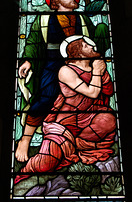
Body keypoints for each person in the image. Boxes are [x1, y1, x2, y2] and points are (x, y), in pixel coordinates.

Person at [15, 0, 110, 162]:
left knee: (83, 101)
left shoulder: (82, 18)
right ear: (56, 2)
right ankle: (25, 140)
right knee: (46, 98)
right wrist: (28, 60)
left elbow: (94, 39)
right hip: (52, 62)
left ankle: (75, 142)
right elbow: (33, 40)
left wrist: (102, 37)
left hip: (79, 63)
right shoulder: (43, 19)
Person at [15, 35, 116, 184]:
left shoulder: (96, 66)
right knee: (46, 164)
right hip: (65, 123)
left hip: (90, 116)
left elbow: (108, 91)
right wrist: (97, 72)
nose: (92, 46)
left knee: (108, 119)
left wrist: (102, 74)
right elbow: (92, 92)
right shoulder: (66, 71)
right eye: (86, 45)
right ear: (78, 51)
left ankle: (75, 145)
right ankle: (25, 170)